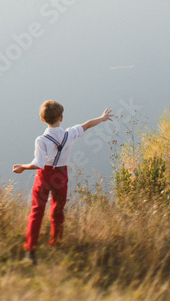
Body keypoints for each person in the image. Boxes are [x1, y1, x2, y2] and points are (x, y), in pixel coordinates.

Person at [12, 100, 113, 264]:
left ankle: (31, 252)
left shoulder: (41, 140)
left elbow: (38, 163)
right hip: (61, 175)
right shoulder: (70, 133)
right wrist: (102, 118)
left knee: (37, 212)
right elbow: (87, 125)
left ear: (42, 120)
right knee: (58, 211)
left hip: (44, 176)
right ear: (62, 117)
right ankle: (56, 244)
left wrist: (23, 167)